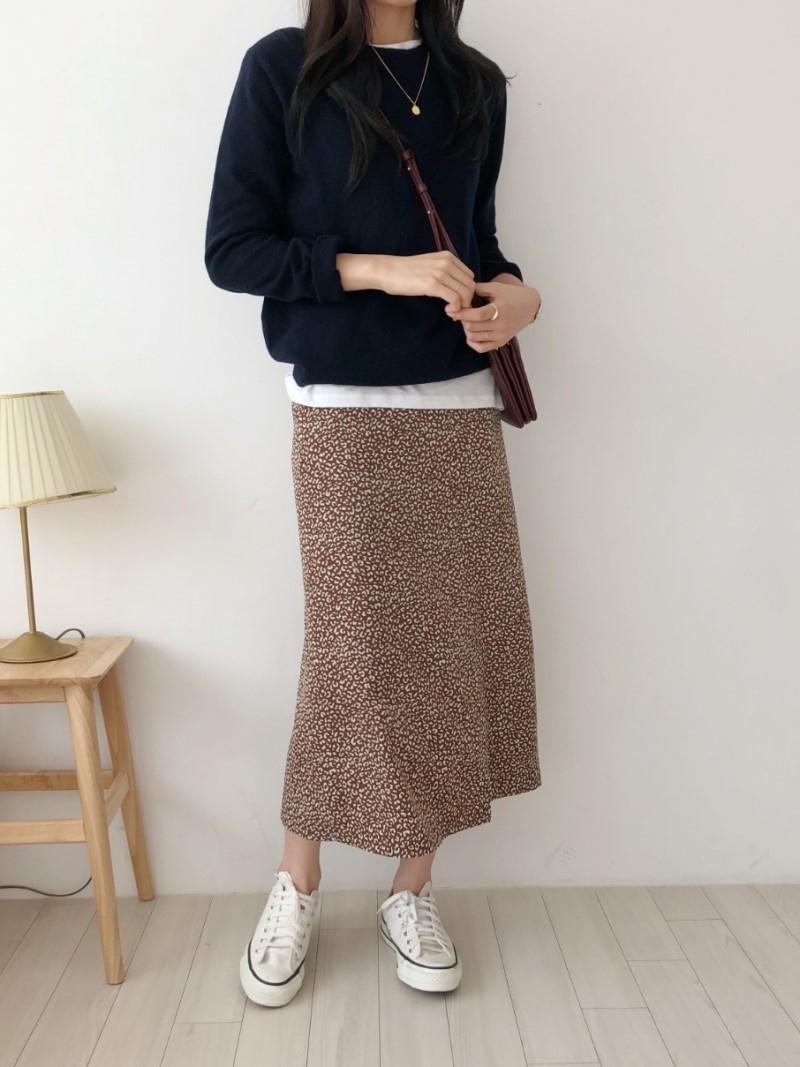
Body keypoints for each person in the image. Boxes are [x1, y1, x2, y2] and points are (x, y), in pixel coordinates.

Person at [205, 0, 543, 1008]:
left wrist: (519, 298)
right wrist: (379, 270)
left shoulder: (473, 82)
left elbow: (480, 241)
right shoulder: (285, 67)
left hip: (460, 407)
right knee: (349, 647)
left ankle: (411, 887)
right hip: (344, 408)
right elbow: (234, 249)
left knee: (450, 646)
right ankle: (296, 878)